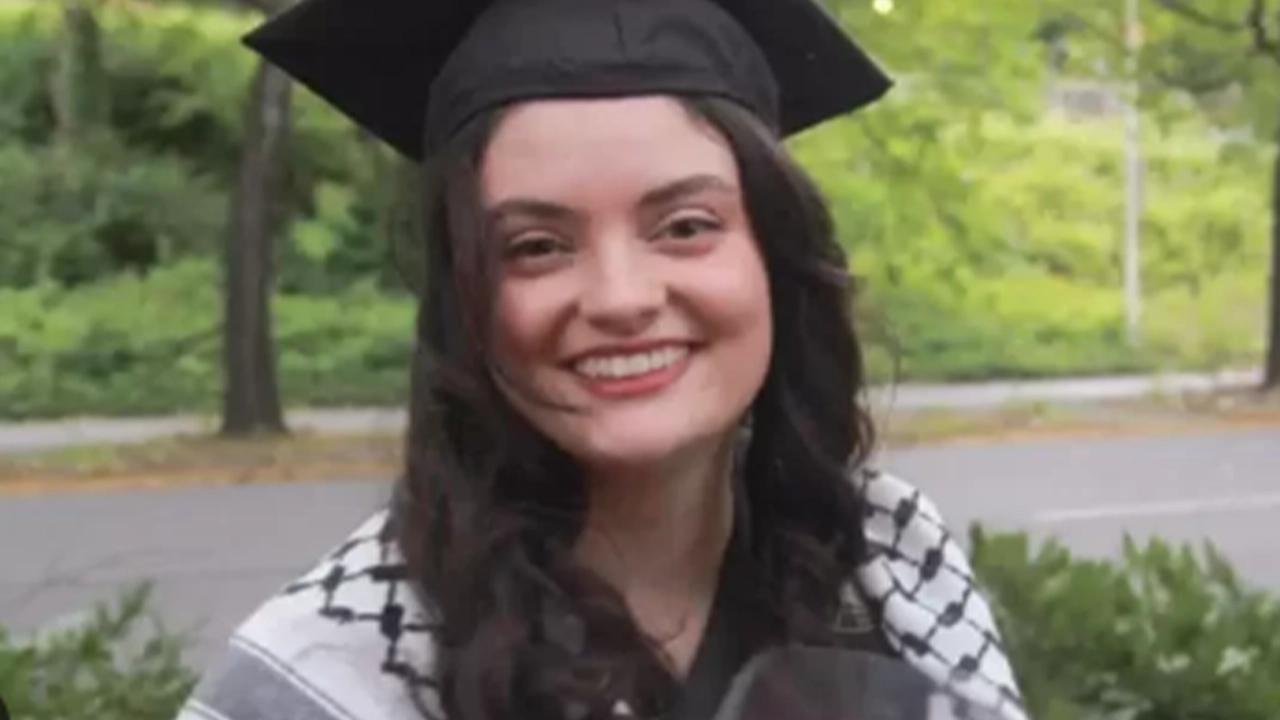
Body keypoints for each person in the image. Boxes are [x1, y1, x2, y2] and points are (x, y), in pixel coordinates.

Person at [177, 0, 1026, 719]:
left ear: (775, 257)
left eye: (685, 226)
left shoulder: (889, 561)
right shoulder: (325, 676)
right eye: (537, 246)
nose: (620, 299)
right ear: (466, 304)